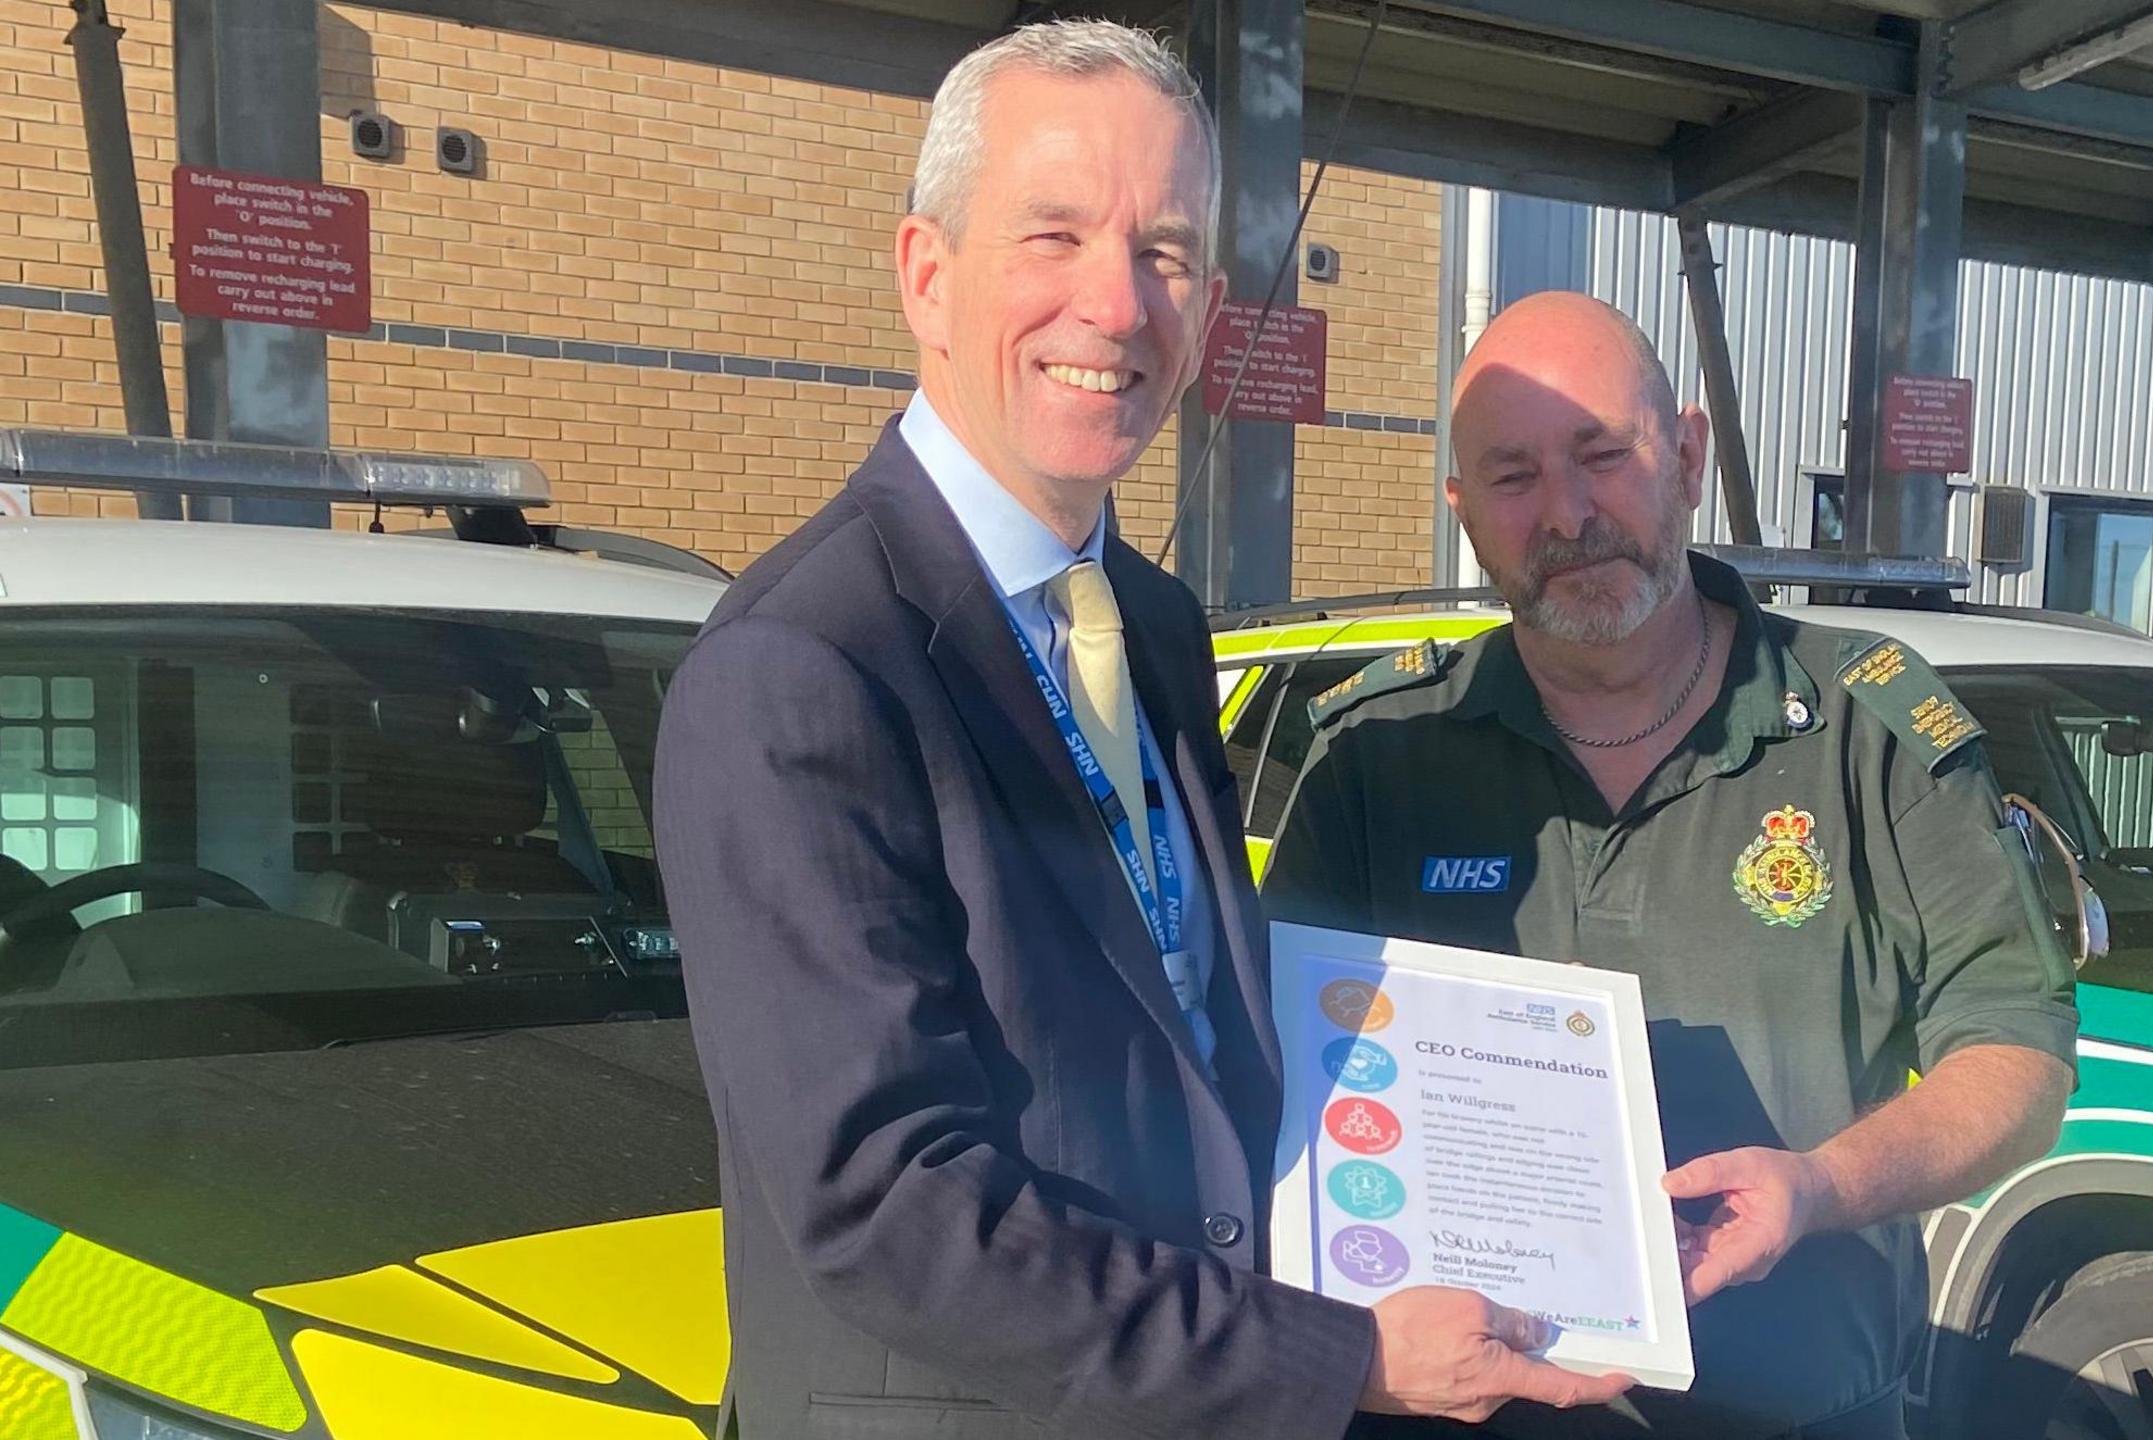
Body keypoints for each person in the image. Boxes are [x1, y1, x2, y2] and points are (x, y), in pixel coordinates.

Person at [653, 26, 1630, 1440]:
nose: (1115, 305)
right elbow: (884, 1202)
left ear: (1212, 309)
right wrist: (1333, 1360)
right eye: (1054, 236)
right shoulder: (801, 668)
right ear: (928, 276)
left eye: (1164, 253)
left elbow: (1182, 1035)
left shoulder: (1158, 628)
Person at [1262, 292, 2078, 1440]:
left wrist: (1822, 1189)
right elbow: (1268, 1069)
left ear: (1687, 453)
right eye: (1511, 478)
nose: (1568, 512)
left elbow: (2017, 1052)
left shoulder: (1867, 732)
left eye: (1604, 455)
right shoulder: (1380, 757)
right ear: (1461, 509)